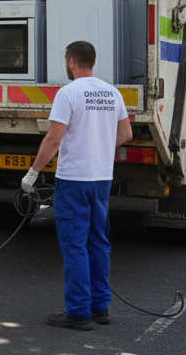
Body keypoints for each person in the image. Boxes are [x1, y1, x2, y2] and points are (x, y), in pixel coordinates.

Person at [22, 40, 132, 331]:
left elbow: (54, 139)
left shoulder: (67, 93)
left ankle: (79, 312)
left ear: (71, 62)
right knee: (98, 241)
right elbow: (126, 133)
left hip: (74, 180)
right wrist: (101, 145)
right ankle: (100, 307)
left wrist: (33, 173)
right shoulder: (113, 92)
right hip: (101, 178)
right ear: (91, 61)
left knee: (74, 245)